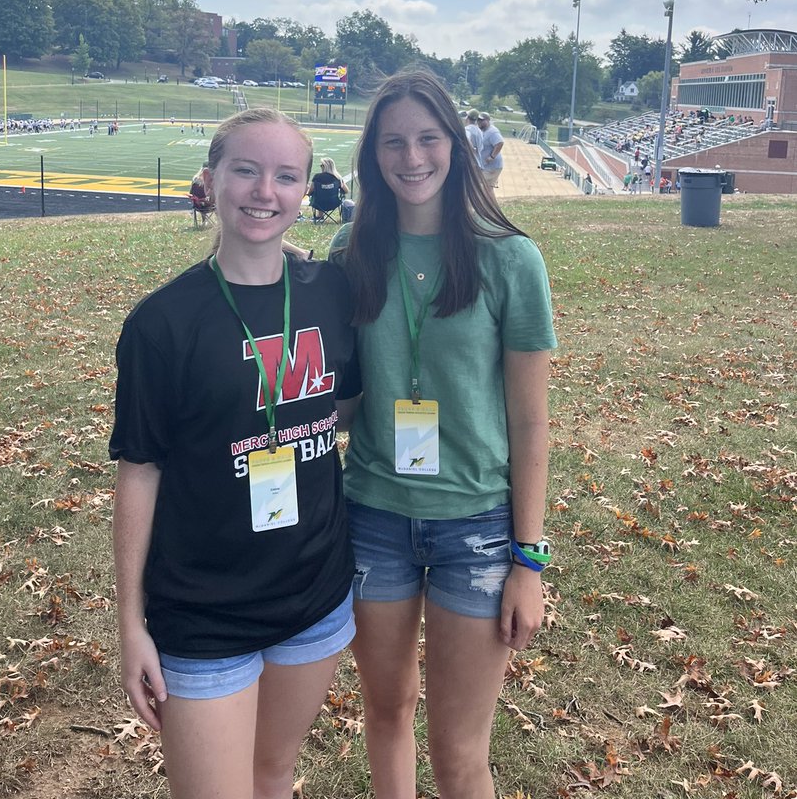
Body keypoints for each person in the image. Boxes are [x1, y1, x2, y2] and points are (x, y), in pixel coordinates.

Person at [111, 108, 360, 799]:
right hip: (204, 612)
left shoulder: (330, 292)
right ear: (211, 178)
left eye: (286, 176)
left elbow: (343, 409)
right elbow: (140, 471)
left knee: (273, 773)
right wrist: (130, 625)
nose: (264, 191)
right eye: (246, 170)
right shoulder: (162, 323)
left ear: (306, 188)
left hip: (314, 593)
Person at [330, 70, 556, 799]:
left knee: (459, 752)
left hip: (477, 529)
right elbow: (341, 398)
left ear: (456, 146)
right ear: (373, 155)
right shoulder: (349, 251)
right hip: (373, 518)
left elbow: (530, 421)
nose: (412, 157)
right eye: (393, 142)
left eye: (428, 138)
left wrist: (528, 560)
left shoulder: (510, 259)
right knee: (387, 711)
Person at [306, 156, 348, 221]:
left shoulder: (317, 177)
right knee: (325, 195)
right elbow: (346, 191)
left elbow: (310, 191)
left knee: (320, 195)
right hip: (334, 203)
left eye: (321, 165)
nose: (320, 167)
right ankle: (320, 216)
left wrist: (308, 193)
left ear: (325, 167)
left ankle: (319, 216)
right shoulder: (337, 178)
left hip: (318, 203)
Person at [477, 111, 505, 189]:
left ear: (488, 120)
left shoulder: (492, 132)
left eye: (482, 120)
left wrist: (492, 157)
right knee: (488, 189)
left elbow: (500, 143)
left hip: (492, 167)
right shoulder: (483, 131)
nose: (479, 122)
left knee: (479, 185)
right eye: (478, 120)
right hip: (487, 166)